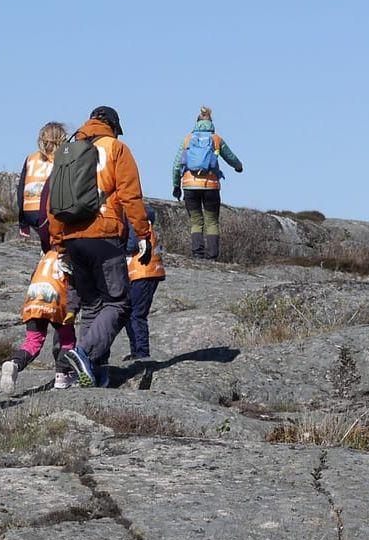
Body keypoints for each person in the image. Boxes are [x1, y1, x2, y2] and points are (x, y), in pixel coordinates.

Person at [48, 106, 155, 387]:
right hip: (104, 233)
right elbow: (131, 196)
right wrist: (142, 233)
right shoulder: (116, 148)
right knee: (119, 303)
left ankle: (87, 371)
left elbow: (53, 203)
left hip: (71, 238)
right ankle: (82, 353)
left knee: (93, 304)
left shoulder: (69, 150)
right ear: (114, 126)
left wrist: (59, 244)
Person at [0, 245, 76, 396]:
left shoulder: (45, 256)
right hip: (55, 298)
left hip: (34, 298)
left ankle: (15, 363)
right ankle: (63, 374)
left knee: (32, 342)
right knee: (67, 338)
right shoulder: (68, 254)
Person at [170, 106, 244, 260]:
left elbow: (177, 165)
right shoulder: (216, 139)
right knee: (211, 221)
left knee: (196, 220)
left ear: (196, 123)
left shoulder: (187, 139)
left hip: (190, 186)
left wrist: (176, 186)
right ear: (211, 123)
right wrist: (239, 167)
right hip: (211, 186)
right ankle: (211, 256)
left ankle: (197, 254)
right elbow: (230, 157)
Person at [123, 201, 165, 361]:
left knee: (136, 314)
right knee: (130, 313)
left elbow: (131, 246)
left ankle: (141, 353)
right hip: (144, 271)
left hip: (143, 272)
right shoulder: (142, 219)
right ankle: (137, 351)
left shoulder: (137, 220)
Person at [17, 122, 67, 251]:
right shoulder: (61, 158)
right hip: (46, 210)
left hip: (29, 210)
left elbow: (20, 189)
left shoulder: (30, 158)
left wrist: (22, 222)